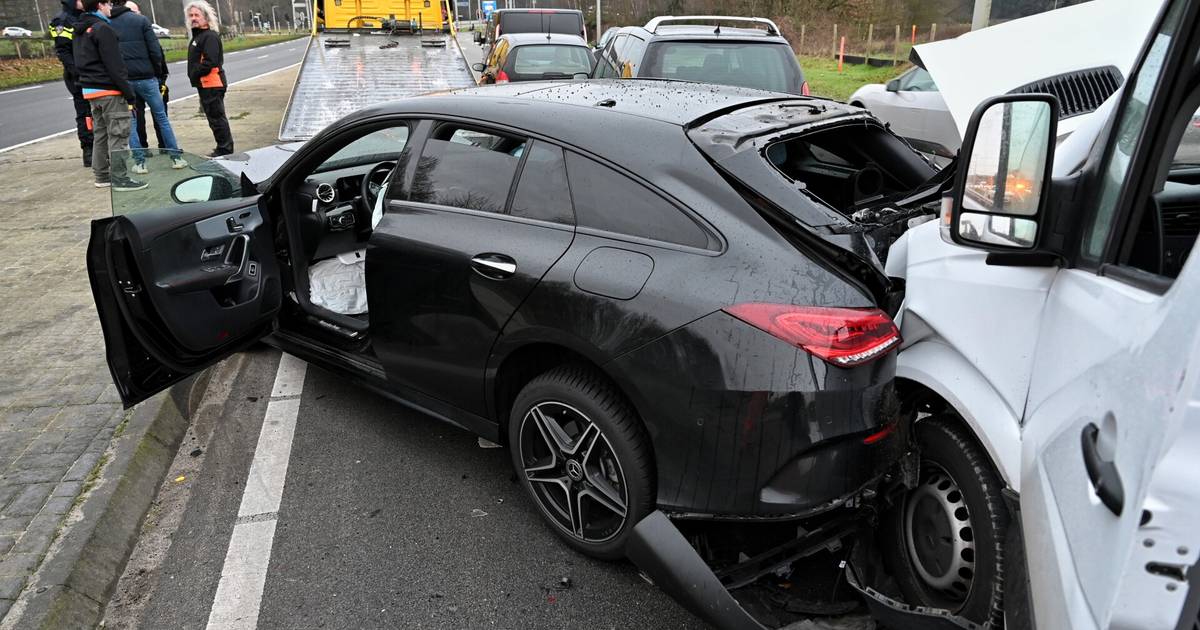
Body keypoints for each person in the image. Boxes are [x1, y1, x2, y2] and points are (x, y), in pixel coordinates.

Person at [74, 0, 146, 190]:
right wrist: (129, 94)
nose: (111, 8)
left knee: (100, 135)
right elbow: (115, 65)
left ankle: (102, 176)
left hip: (91, 90)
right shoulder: (103, 29)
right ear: (100, 5)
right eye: (109, 4)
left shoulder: (80, 29)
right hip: (110, 90)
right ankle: (120, 178)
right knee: (118, 135)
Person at [108, 0, 186, 170]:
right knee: (161, 118)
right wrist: (157, 73)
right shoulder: (141, 20)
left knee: (131, 122)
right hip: (147, 77)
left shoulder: (107, 23)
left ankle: (140, 163)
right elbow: (155, 50)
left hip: (125, 80)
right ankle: (176, 158)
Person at [185, 0, 234, 157]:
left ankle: (225, 149)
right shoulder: (198, 36)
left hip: (212, 83)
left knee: (217, 118)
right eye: (191, 15)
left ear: (206, 17)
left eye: (197, 15)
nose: (193, 18)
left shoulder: (209, 37)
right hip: (204, 84)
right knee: (214, 119)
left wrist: (195, 73)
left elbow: (210, 61)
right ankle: (222, 147)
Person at [49, 0, 93, 167]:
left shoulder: (84, 16)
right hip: (77, 76)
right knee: (84, 114)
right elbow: (63, 51)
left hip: (92, 72)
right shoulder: (62, 20)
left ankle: (100, 149)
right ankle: (88, 150)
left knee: (97, 113)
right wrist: (77, 73)